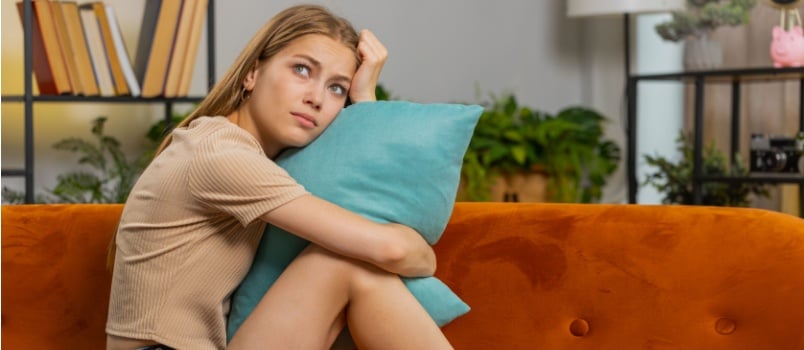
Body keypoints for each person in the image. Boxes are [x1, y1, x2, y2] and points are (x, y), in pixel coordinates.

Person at [106, 4, 453, 350]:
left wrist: (363, 100)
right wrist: (423, 255)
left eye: (336, 88)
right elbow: (391, 249)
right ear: (252, 74)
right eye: (302, 70)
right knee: (343, 263)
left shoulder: (253, 156)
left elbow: (366, 198)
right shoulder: (221, 155)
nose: (316, 98)